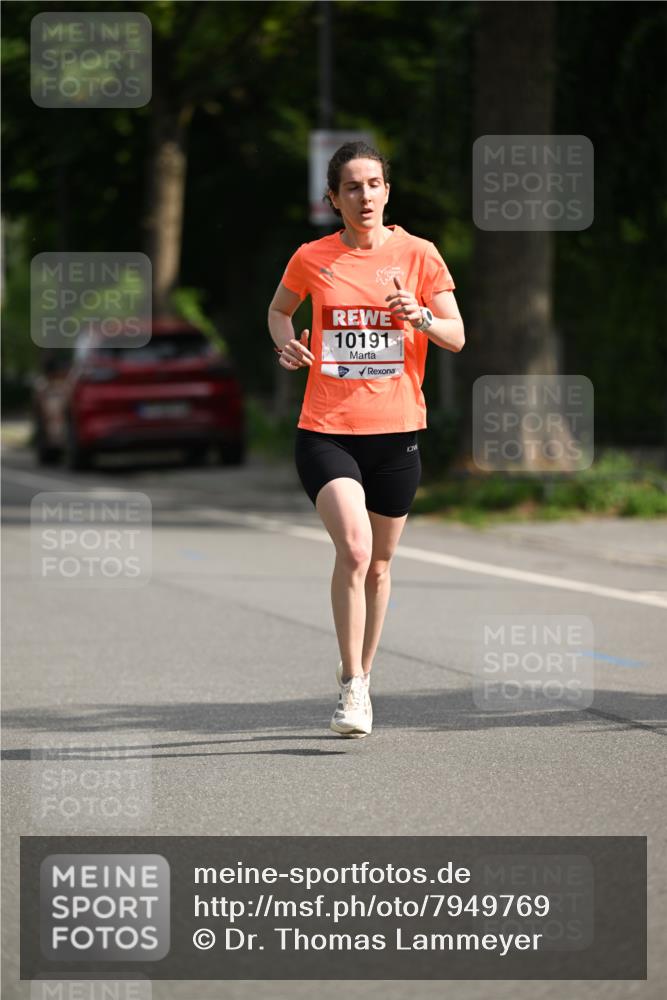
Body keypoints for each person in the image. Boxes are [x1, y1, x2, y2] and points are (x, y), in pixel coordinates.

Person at [267, 141, 464, 738]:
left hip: (397, 430)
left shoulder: (419, 255)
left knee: (379, 566)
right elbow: (279, 311)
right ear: (333, 199)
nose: (365, 196)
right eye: (351, 187)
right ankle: (351, 687)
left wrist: (420, 317)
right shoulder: (312, 257)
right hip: (327, 429)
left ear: (387, 191)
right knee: (353, 549)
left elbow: (456, 336)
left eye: (373, 184)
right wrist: (287, 343)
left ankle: (364, 676)